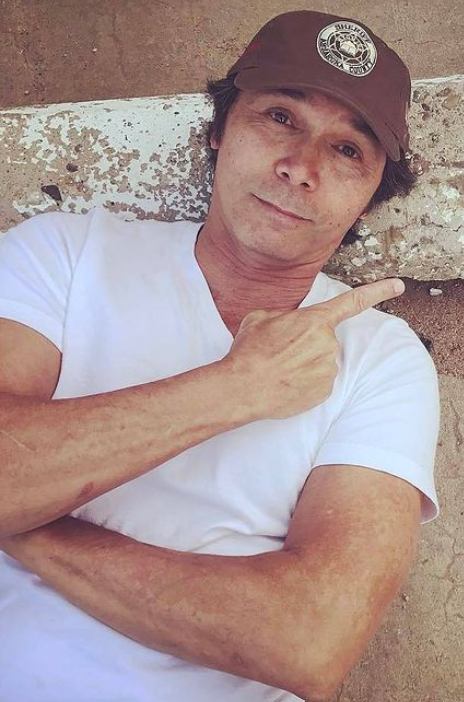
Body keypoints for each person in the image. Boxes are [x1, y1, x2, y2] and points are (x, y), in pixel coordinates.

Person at [0, 10, 440, 702]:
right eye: (280, 118)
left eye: (347, 150)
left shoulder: (382, 357)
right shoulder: (65, 254)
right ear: (219, 129)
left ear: (369, 199)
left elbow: (309, 641)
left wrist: (28, 528)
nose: (301, 168)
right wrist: (235, 388)